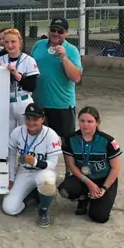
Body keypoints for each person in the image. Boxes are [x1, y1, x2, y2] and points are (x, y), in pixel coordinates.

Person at [30, 18, 83, 179]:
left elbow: (76, 77)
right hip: (39, 103)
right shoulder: (38, 46)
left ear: (66, 33)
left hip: (62, 104)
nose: (56, 34)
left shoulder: (71, 50)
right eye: (53, 30)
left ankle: (70, 175)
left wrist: (64, 58)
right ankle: (41, 173)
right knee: (39, 141)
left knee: (66, 143)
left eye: (60, 31)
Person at [58, 107, 122, 223]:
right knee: (65, 190)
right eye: (82, 121)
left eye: (90, 121)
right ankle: (83, 197)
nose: (85, 125)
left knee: (99, 217)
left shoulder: (108, 141)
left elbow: (115, 168)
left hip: (103, 179)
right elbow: (71, 165)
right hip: (83, 178)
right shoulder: (70, 139)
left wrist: (103, 188)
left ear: (97, 122)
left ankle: (95, 198)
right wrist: (89, 183)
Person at [2, 103, 62, 228]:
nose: (31, 122)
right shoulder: (17, 132)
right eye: (28, 118)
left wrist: (35, 162)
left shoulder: (51, 135)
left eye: (35, 119)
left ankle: (43, 209)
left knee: (47, 180)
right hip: (24, 171)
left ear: (42, 119)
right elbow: (12, 155)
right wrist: (11, 178)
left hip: (43, 171)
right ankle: (32, 195)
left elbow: (52, 164)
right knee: (9, 208)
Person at [0, 28, 40, 134]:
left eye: (13, 41)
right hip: (6, 103)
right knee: (7, 136)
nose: (10, 45)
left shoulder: (29, 60)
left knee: (25, 134)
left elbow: (31, 86)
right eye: (6, 42)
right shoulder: (0, 60)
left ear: (20, 42)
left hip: (23, 102)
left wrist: (16, 74)